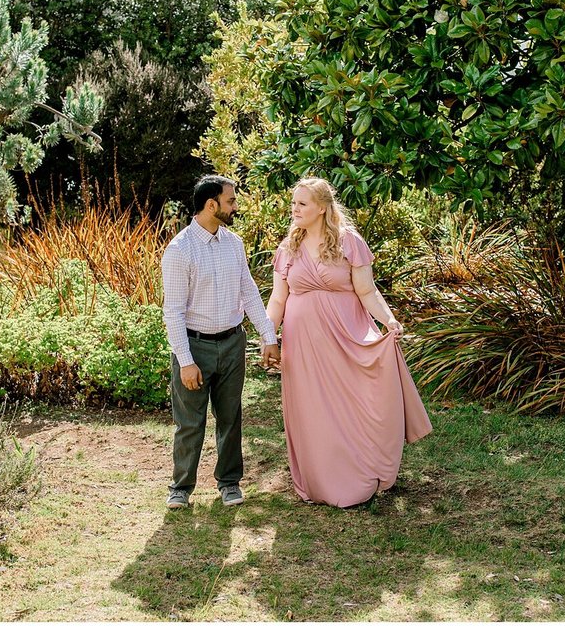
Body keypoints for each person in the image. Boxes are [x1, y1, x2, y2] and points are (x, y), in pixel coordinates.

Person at [265, 176, 433, 507]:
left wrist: (389, 319)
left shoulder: (348, 242)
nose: (294, 209)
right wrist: (268, 335)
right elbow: (278, 299)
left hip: (344, 337)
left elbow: (367, 291)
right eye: (294, 203)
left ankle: (360, 472)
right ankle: (319, 481)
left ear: (322, 208)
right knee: (311, 411)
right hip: (302, 345)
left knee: (352, 406)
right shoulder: (289, 248)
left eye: (302, 203)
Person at [161, 175, 281, 509]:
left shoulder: (234, 244)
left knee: (230, 416)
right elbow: (172, 312)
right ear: (211, 204)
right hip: (194, 347)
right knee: (190, 422)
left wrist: (267, 336)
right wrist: (185, 360)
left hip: (232, 343)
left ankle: (229, 483)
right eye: (231, 201)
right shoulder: (179, 250)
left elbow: (249, 292)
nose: (235, 206)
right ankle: (181, 488)